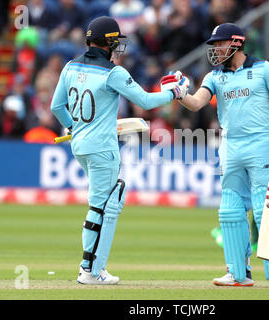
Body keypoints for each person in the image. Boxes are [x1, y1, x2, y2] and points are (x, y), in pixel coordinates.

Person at [50, 16, 186, 285]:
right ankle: (89, 270)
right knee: (102, 206)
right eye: (116, 41)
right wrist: (175, 93)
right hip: (102, 147)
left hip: (79, 145)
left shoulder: (69, 66)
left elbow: (57, 107)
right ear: (108, 42)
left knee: (107, 200)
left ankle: (93, 267)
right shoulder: (114, 72)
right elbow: (145, 101)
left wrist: (72, 127)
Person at [168, 23, 269, 287]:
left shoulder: (263, 69)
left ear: (236, 43)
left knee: (265, 208)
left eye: (219, 44)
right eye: (213, 45)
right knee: (229, 210)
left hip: (260, 143)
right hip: (230, 146)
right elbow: (196, 103)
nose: (215, 49)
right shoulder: (215, 76)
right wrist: (179, 94)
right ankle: (238, 273)